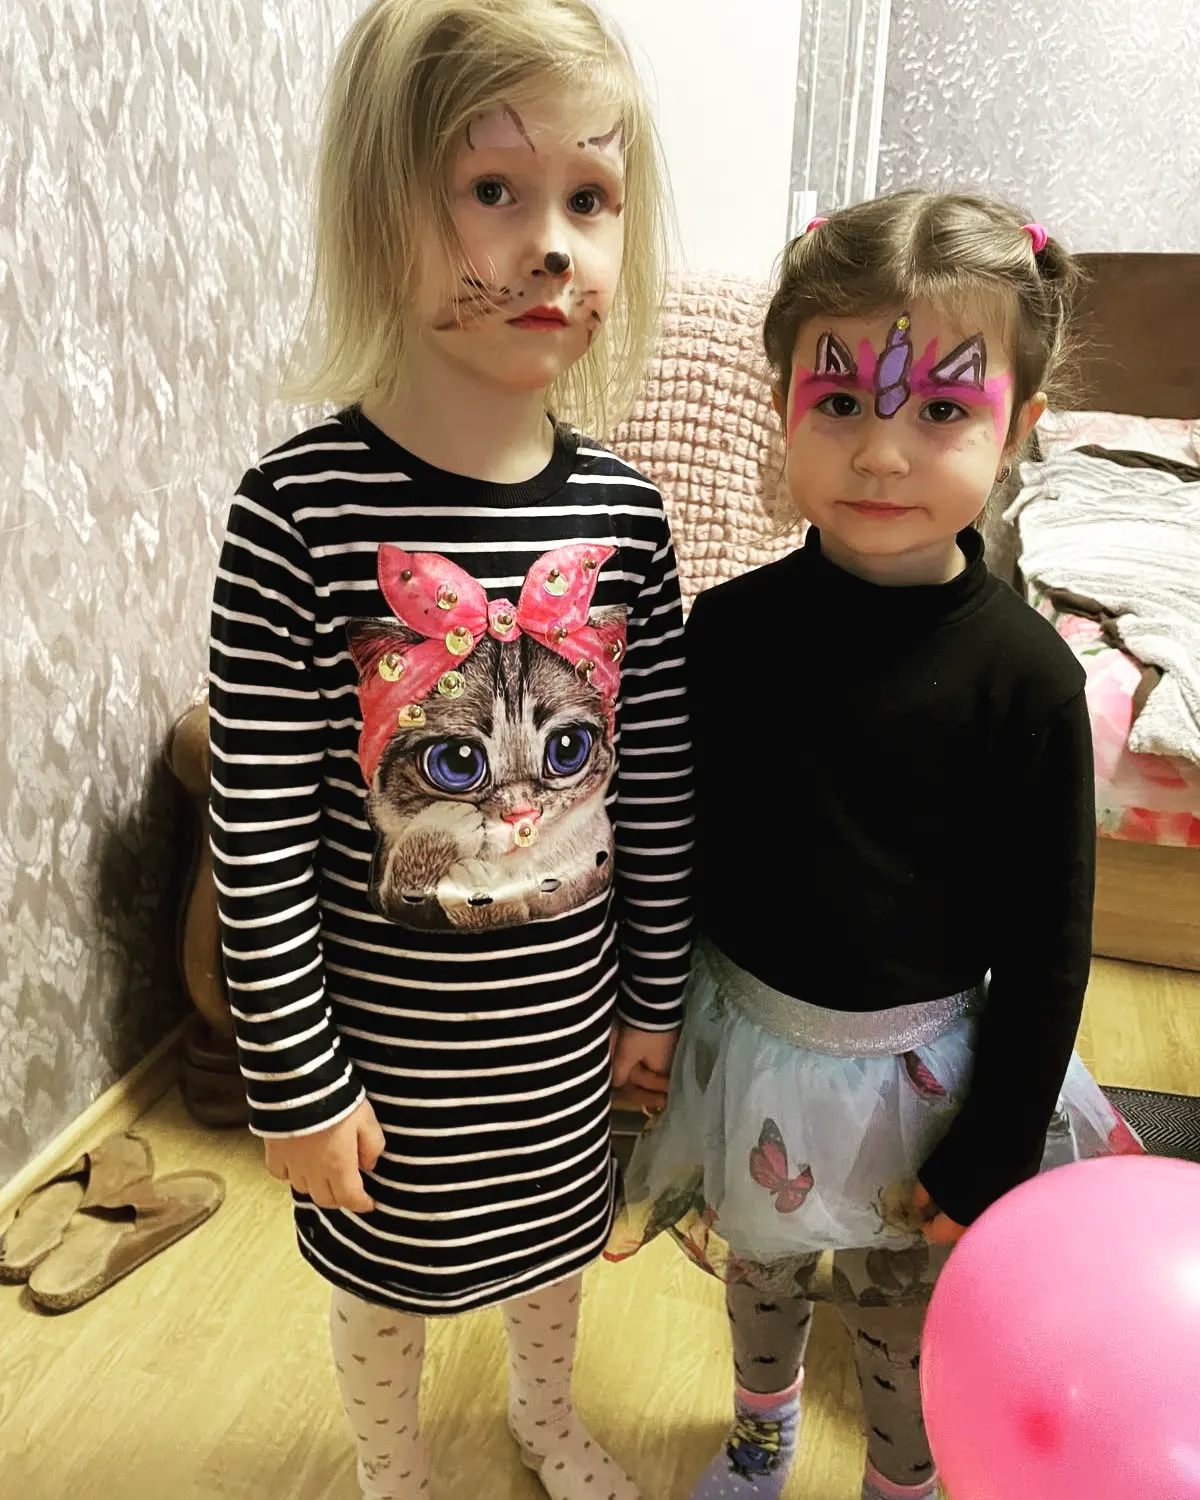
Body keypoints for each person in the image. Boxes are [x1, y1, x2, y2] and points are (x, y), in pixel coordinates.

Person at [208, 3, 692, 1496]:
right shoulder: (295, 512)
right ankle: (391, 1469)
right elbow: (257, 831)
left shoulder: (629, 520)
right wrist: (296, 1078)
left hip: (563, 1042)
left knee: (555, 1254)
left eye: (590, 199)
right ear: (380, 212)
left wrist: (653, 1000)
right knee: (382, 1285)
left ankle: (546, 1419)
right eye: (493, 189)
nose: (550, 246)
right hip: (383, 1058)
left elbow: (660, 791)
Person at [608, 191, 1144, 1500]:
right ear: (782, 402)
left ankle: (900, 1484)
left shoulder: (1029, 680)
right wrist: (649, 1012)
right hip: (745, 1051)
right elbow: (669, 839)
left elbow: (1052, 940)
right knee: (763, 1274)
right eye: (840, 400)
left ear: (1019, 427)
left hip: (925, 1084)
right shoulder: (726, 633)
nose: (883, 453)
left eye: (943, 410)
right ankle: (760, 1434)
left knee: (902, 1321)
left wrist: (995, 1140)